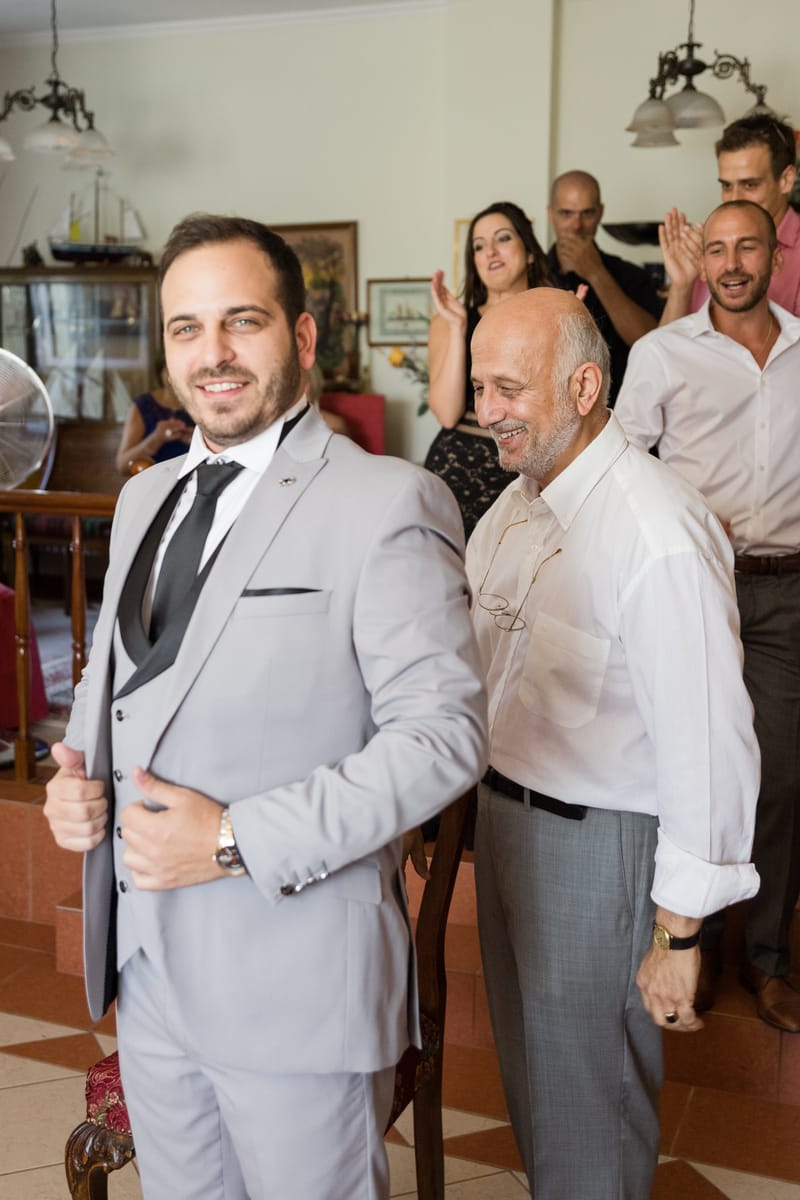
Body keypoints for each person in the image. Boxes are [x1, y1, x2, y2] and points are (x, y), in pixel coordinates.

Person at [43, 214, 487, 1200]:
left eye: (241, 321)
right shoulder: (143, 501)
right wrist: (72, 783)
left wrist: (236, 837)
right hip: (149, 973)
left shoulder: (386, 501)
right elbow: (111, 704)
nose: (213, 355)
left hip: (293, 985)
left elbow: (443, 738)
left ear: (303, 337)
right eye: (188, 329)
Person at [467, 287, 759, 1199]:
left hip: (598, 847)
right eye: (480, 386)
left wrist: (679, 934)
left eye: (508, 388)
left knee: (591, 1113)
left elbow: (708, 742)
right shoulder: (513, 508)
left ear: (586, 385)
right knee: (538, 1094)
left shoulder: (659, 532)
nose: (486, 412)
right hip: (504, 825)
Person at [616, 199, 800, 1033]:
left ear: (773, 253)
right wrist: (687, 516)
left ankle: (764, 962)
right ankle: (683, 941)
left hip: (788, 589)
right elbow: (618, 465)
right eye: (716, 249)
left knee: (782, 778)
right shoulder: (661, 355)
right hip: (695, 586)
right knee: (688, 763)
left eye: (747, 247)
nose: (730, 263)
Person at [424, 200, 555, 539]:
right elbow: (447, 414)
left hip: (529, 464)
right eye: (479, 246)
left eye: (503, 239)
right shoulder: (450, 319)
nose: (490, 252)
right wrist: (457, 328)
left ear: (528, 252)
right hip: (459, 466)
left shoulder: (554, 313)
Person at [659, 114, 800, 324]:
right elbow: (663, 352)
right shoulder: (705, 247)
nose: (734, 199)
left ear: (786, 180)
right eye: (727, 186)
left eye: (750, 185)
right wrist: (681, 287)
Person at [546, 170, 663, 404]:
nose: (577, 226)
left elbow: (651, 344)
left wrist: (596, 273)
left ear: (600, 213)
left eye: (587, 213)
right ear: (551, 215)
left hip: (618, 412)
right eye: (567, 213)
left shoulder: (630, 275)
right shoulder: (532, 274)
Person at [114, 354, 194, 474]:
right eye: (169, 368)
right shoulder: (143, 405)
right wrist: (156, 438)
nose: (174, 375)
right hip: (154, 482)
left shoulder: (204, 403)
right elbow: (122, 465)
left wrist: (197, 441)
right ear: (160, 370)